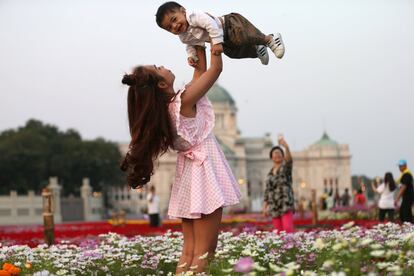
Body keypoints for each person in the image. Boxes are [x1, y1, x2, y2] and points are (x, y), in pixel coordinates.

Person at [120, 45, 241, 274]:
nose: (162, 65)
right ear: (162, 85)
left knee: (189, 251)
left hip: (188, 176)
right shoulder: (184, 101)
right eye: (158, 68)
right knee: (205, 251)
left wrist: (198, 50)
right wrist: (214, 42)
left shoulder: (168, 109)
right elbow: (214, 71)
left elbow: (202, 75)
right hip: (204, 174)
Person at [155, 1, 285, 67]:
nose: (175, 26)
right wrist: (192, 56)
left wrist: (216, 42)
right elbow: (191, 44)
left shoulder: (194, 16)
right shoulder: (183, 37)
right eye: (169, 28)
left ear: (183, 11)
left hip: (229, 25)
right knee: (232, 53)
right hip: (224, 40)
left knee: (243, 36)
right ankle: (257, 50)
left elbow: (210, 23)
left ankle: (270, 39)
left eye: (174, 19)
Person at [263, 138, 295, 233]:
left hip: (285, 202)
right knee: (278, 232)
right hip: (274, 204)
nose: (277, 155)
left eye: (279, 153)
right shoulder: (269, 174)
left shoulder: (285, 168)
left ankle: (291, 247)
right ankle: (281, 248)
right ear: (271, 157)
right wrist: (265, 207)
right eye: (275, 153)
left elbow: (289, 160)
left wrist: (286, 147)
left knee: (288, 229)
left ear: (283, 156)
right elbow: (267, 191)